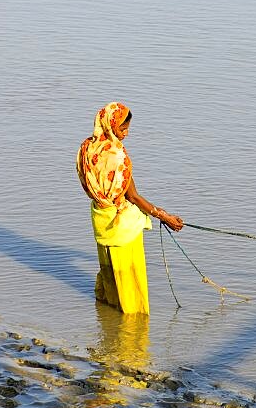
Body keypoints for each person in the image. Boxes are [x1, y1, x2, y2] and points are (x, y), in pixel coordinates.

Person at [76, 102, 184, 314]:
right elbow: (132, 196)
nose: (125, 134)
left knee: (110, 275)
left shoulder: (87, 149)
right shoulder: (117, 156)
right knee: (130, 283)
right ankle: (132, 332)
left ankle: (108, 322)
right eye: (122, 129)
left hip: (101, 218)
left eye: (127, 129)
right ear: (110, 125)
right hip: (122, 225)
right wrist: (164, 216)